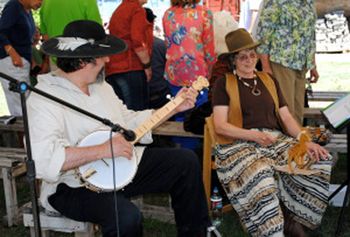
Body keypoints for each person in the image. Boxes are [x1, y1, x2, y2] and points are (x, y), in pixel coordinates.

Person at [27, 20, 209, 237]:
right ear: (85, 61)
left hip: (118, 166)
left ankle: (197, 233)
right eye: (102, 55)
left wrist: (173, 108)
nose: (107, 59)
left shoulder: (101, 87)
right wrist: (103, 150)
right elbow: (42, 159)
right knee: (126, 217)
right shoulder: (44, 98)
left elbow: (128, 122)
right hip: (71, 185)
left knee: (185, 161)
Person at [211, 29, 332, 237]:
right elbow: (220, 125)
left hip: (274, 139)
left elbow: (286, 118)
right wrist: (255, 136)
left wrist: (305, 140)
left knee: (317, 158)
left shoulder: (268, 80)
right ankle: (272, 230)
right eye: (242, 57)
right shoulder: (224, 83)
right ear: (233, 61)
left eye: (252, 54)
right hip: (239, 143)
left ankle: (295, 217)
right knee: (261, 174)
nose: (249, 60)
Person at [256, 0, 319, 124]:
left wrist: (312, 65)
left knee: (298, 111)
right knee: (286, 111)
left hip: (302, 64)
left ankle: (297, 141)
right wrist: (266, 67)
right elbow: (263, 36)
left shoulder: (308, 2)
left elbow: (310, 35)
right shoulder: (274, 2)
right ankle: (287, 142)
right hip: (281, 62)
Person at [106, 0, 153, 111]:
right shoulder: (137, 10)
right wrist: (147, 66)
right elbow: (138, 42)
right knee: (137, 114)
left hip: (114, 68)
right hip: (131, 66)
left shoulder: (120, 9)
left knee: (123, 112)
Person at [0, 0, 42, 116]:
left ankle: (27, 132)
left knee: (25, 101)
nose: (41, 3)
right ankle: (24, 132)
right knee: (20, 103)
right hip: (12, 62)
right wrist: (12, 53)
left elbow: (25, 40)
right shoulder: (13, 6)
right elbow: (1, 32)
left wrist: (32, 61)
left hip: (23, 62)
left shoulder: (28, 11)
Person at [39, 0, 102, 70]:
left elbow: (46, 37)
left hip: (57, 61)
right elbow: (97, 32)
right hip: (84, 63)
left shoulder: (46, 3)